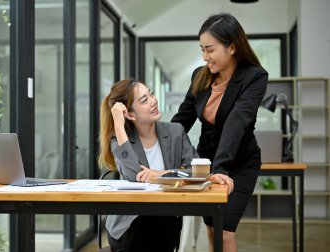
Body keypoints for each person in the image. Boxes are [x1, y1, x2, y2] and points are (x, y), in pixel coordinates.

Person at [99, 79, 233, 252]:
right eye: (144, 100)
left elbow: (196, 170)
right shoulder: (120, 140)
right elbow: (134, 176)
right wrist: (118, 125)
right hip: (130, 225)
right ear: (131, 115)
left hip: (165, 223)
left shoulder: (175, 132)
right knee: (151, 222)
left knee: (162, 221)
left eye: (151, 94)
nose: (153, 101)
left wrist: (161, 174)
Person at [171, 13, 268, 252]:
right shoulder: (199, 77)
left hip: (240, 164)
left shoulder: (254, 77)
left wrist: (221, 169)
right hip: (208, 165)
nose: (205, 57)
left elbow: (237, 122)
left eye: (210, 50)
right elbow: (182, 120)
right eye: (202, 50)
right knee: (213, 230)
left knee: (224, 232)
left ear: (232, 47)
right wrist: (157, 145)